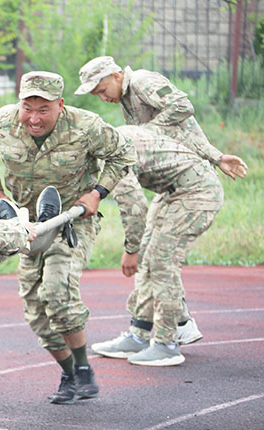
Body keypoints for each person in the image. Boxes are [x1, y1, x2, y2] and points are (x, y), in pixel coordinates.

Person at [0, 71, 136, 405]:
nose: (34, 117)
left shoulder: (86, 126)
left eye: (43, 109)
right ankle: (71, 372)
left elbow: (123, 154)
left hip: (72, 222)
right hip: (25, 226)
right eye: (27, 107)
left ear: (60, 105)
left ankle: (85, 369)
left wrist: (97, 193)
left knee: (57, 291)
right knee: (35, 310)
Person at [74, 56, 249, 342]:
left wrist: (213, 157)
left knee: (158, 258)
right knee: (150, 255)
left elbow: (183, 108)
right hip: (173, 184)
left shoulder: (143, 81)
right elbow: (176, 138)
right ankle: (158, 327)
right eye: (95, 94)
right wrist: (216, 156)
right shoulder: (126, 104)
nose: (101, 97)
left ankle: (171, 334)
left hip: (192, 185)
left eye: (101, 89)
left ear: (117, 75)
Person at [92, 125, 246, 366]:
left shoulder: (110, 153)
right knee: (149, 259)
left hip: (197, 192)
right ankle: (139, 334)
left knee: (161, 261)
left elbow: (134, 206)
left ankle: (167, 343)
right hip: (171, 192)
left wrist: (131, 250)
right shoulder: (105, 135)